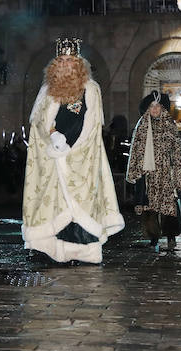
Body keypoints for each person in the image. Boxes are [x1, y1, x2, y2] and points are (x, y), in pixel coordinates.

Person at [22, 38, 124, 263]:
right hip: (52, 156)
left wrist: (73, 148)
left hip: (80, 157)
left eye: (71, 60)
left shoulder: (91, 89)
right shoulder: (48, 90)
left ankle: (82, 253)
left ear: (79, 63)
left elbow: (93, 124)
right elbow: (38, 121)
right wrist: (52, 136)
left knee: (80, 204)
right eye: (62, 60)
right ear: (56, 64)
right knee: (52, 204)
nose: (67, 64)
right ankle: (48, 249)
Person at [126, 91, 181, 252]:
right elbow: (136, 150)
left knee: (168, 204)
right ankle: (153, 236)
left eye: (157, 106)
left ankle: (171, 235)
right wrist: (135, 171)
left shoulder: (170, 125)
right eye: (152, 106)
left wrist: (178, 174)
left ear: (162, 108)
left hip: (166, 171)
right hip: (148, 173)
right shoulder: (142, 126)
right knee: (149, 205)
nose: (154, 109)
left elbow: (177, 150)